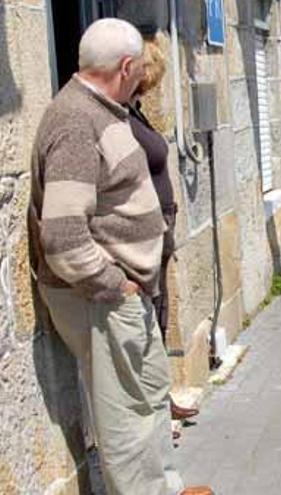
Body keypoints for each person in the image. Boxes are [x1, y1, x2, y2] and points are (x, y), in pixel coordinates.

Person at [28, 18, 211, 495]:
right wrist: (116, 286)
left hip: (125, 296)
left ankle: (164, 489)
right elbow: (64, 236)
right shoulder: (74, 120)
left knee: (149, 399)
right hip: (104, 298)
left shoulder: (103, 109)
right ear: (126, 66)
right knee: (126, 419)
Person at [129, 34, 200, 427]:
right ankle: (155, 411)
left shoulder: (135, 112)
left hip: (158, 232)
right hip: (142, 238)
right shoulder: (118, 116)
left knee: (159, 317)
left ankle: (161, 401)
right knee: (148, 322)